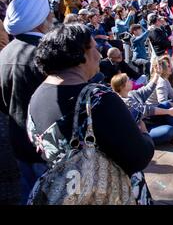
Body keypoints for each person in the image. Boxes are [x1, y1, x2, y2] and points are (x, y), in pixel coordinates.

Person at [28, 24, 154, 204]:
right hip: (109, 194)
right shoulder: (99, 99)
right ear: (80, 54)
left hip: (65, 192)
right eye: (94, 47)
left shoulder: (35, 97)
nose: (99, 54)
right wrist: (144, 133)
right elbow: (138, 157)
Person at [0, 0, 55, 204]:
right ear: (40, 20)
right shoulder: (45, 53)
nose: (51, 16)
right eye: (48, 12)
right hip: (45, 148)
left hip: (18, 142)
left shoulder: (5, 53)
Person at [111, 73, 173, 147]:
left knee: (166, 105)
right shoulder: (123, 101)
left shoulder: (131, 94)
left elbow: (147, 90)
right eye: (128, 80)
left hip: (148, 122)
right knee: (169, 130)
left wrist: (157, 74)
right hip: (142, 130)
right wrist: (168, 112)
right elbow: (145, 110)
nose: (131, 81)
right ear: (122, 86)